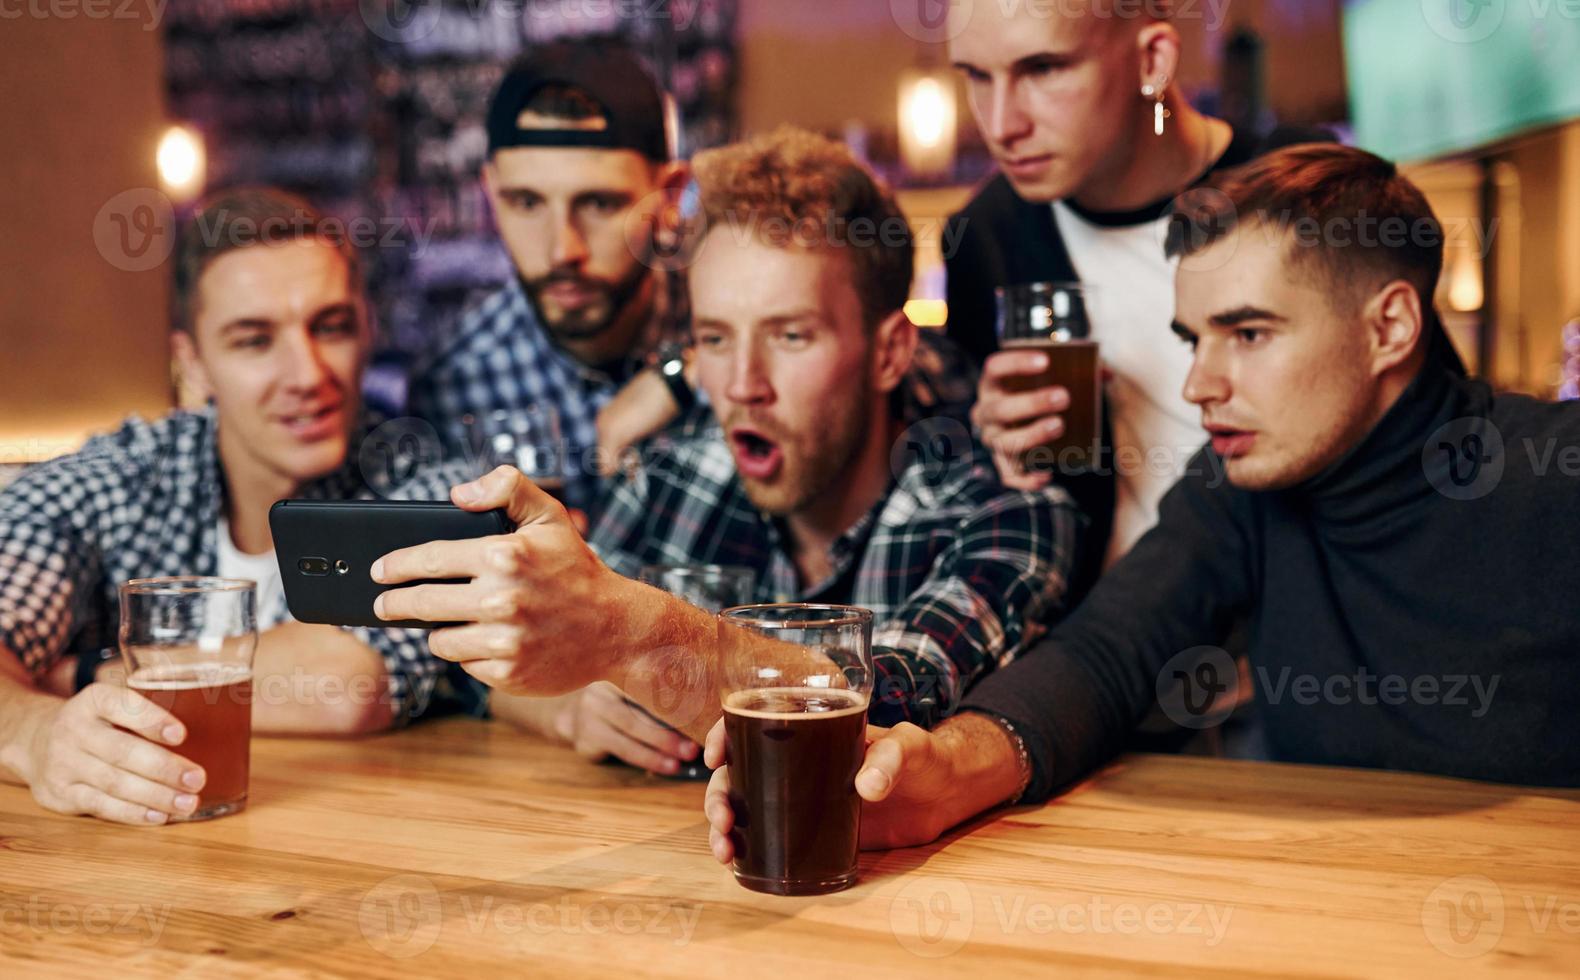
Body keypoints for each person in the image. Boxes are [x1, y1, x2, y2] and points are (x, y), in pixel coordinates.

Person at [701, 144, 1580, 857]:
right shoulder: (1242, 490)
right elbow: (1109, 652)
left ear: (1389, 326)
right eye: (1195, 339)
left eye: (1249, 333)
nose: (1200, 383)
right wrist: (946, 775)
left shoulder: (1551, 477)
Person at [371, 128, 1084, 774]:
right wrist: (564, 708)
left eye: (791, 336)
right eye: (715, 338)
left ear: (890, 352)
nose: (743, 386)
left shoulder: (1007, 515)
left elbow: (890, 709)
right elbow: (488, 668)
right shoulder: (672, 477)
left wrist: (625, 634)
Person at [0, 188, 467, 826]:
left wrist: (75, 675)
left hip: (349, 852)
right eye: (253, 340)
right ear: (194, 364)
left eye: (330, 327)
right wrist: (33, 733)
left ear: (366, 329)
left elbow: (346, 687)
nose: (306, 374)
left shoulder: (418, 480)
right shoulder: (125, 475)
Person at [942, 0, 1266, 580]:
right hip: (1105, 641)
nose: (1000, 125)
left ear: (1154, 61)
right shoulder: (983, 236)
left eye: (1043, 70)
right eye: (976, 76)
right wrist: (990, 449)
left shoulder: (1304, 191)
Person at [404, 40, 694, 517]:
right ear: (491, 195)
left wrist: (688, 373)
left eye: (600, 204)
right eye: (527, 203)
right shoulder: (454, 381)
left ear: (669, 197)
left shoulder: (732, 321)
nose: (563, 250)